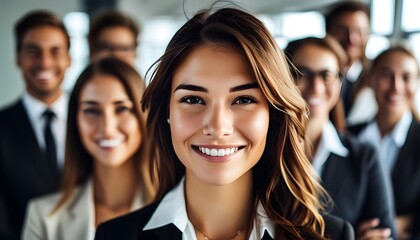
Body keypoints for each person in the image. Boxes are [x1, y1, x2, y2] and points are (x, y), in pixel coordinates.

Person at [94, 7, 354, 240]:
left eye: (243, 99)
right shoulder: (114, 236)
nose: (217, 127)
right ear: (167, 112)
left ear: (273, 115)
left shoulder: (331, 236)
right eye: (194, 99)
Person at [22, 58, 156, 240]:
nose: (107, 128)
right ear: (74, 121)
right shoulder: (44, 218)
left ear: (144, 115)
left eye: (122, 109)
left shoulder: (178, 209)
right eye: (91, 111)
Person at [285, 36, 395, 240]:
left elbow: (386, 234)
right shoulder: (263, 152)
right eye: (302, 73)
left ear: (339, 81)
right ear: (283, 78)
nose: (316, 87)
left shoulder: (364, 158)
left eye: (326, 75)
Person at [0, 10, 71, 239]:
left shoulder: (92, 120)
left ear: (68, 58)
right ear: (18, 57)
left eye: (55, 51)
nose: (45, 62)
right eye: (33, 51)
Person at [348, 46, 420, 240]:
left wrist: (403, 228)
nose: (396, 86)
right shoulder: (347, 138)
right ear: (371, 80)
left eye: (406, 77)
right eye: (386, 75)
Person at [325, 1, 374, 125]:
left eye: (359, 31)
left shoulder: (376, 76)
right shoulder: (313, 74)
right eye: (343, 30)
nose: (351, 39)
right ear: (328, 32)